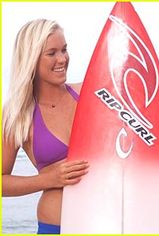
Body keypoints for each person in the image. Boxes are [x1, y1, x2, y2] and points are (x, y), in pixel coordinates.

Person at [2, 19, 89, 234]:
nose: (62, 59)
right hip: (55, 226)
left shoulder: (88, 93)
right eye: (52, 53)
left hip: (106, 219)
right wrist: (49, 179)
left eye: (64, 50)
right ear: (31, 58)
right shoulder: (17, 115)